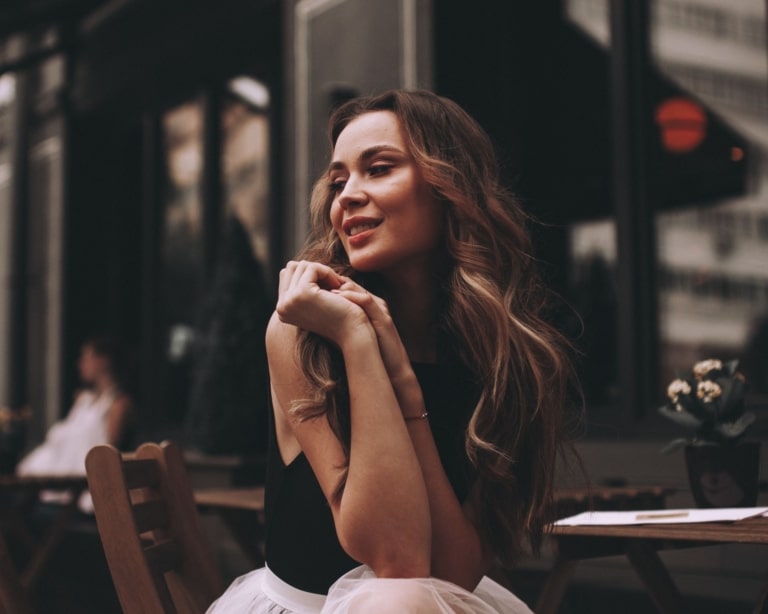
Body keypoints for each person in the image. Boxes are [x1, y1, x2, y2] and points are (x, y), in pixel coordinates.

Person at [208, 90, 578, 613]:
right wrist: (359, 341)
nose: (347, 197)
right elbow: (394, 557)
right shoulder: (303, 332)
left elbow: (451, 575)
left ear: (450, 186)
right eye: (338, 182)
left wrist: (404, 381)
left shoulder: (503, 353)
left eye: (378, 169)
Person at [16, 336, 135, 511]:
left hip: (80, 490)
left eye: (86, 358)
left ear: (103, 361)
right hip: (54, 482)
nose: (81, 364)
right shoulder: (85, 401)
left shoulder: (118, 404)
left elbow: (108, 455)